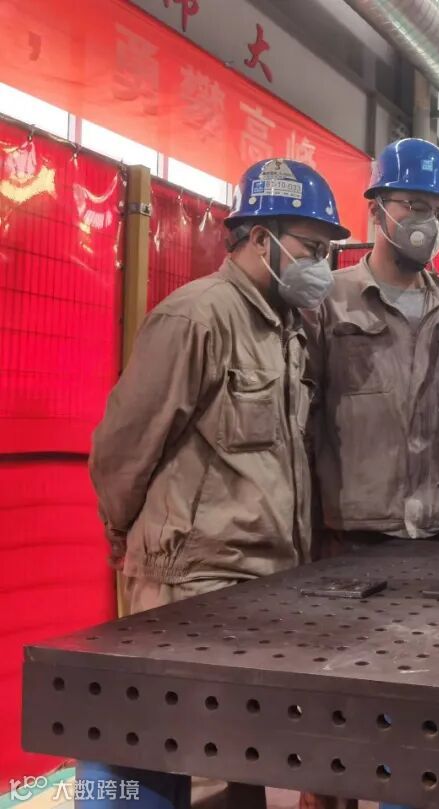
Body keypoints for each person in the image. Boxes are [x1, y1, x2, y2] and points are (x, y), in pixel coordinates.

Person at [81, 158, 349, 809]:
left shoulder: (287, 331)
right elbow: (122, 446)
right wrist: (124, 534)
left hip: (261, 587)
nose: (322, 267)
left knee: (239, 761)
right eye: (313, 249)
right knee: (184, 760)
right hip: (191, 588)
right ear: (260, 238)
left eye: (328, 253)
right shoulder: (197, 319)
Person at [306, 138, 439, 557]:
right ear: (376, 209)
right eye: (415, 206)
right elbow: (300, 420)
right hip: (354, 533)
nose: (429, 223)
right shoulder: (329, 301)